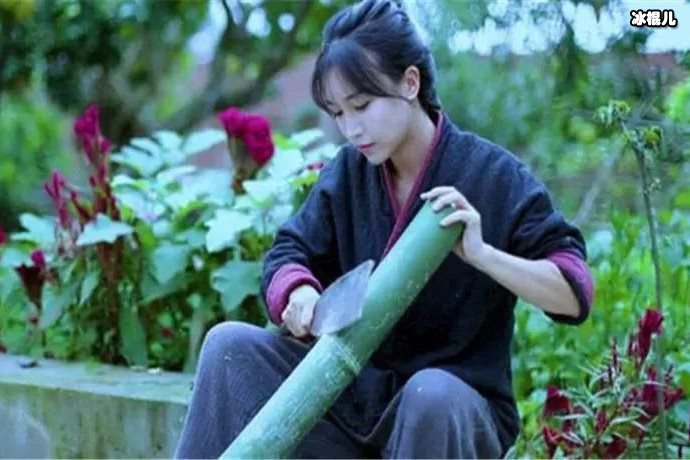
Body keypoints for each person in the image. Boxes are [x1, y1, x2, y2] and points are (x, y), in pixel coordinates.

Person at [174, 0, 594, 458]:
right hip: (352, 403)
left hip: (450, 414)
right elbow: (288, 252)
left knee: (430, 395)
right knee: (228, 348)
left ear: (410, 82)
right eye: (338, 113)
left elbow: (574, 292)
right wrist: (299, 292)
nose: (351, 129)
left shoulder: (494, 175)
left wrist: (483, 255)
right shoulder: (348, 173)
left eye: (362, 105)